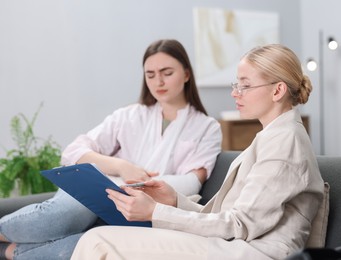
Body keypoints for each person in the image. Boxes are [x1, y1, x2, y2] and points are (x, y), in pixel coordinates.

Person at [70, 43, 325, 260]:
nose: (235, 93)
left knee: (99, 241)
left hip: (253, 252)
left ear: (277, 90)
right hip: (238, 245)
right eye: (236, 84)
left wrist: (155, 212)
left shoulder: (284, 142)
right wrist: (174, 200)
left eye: (245, 86)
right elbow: (229, 218)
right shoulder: (272, 136)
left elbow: (239, 225)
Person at [0, 39, 222, 260]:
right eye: (150, 74)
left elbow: (193, 181)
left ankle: (10, 251)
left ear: (186, 74)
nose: (158, 81)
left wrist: (136, 187)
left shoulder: (207, 127)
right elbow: (74, 151)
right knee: (68, 214)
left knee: (89, 242)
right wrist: (122, 167)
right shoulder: (128, 116)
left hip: (142, 210)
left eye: (167, 73)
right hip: (99, 190)